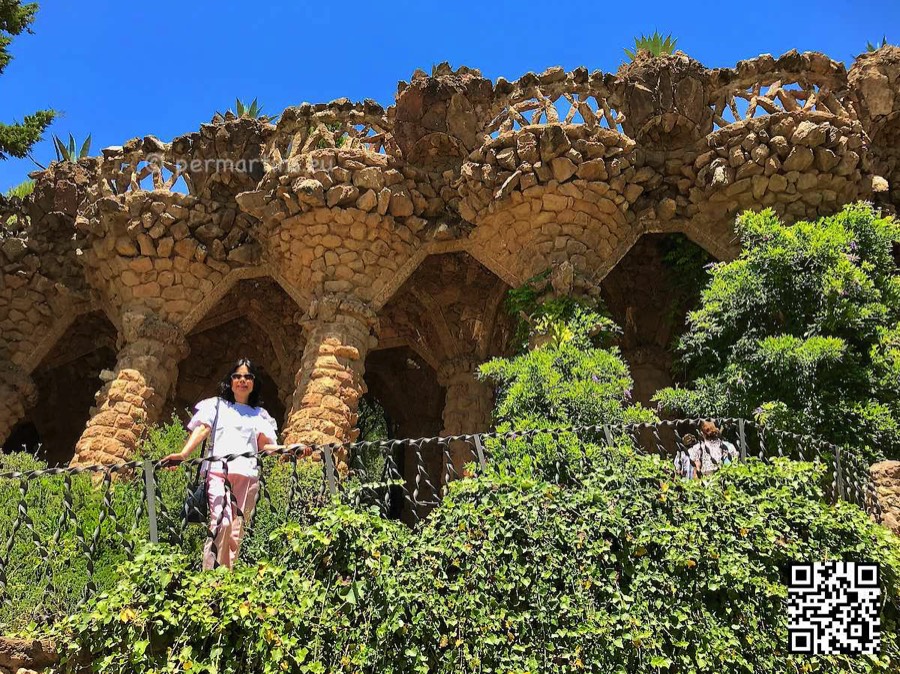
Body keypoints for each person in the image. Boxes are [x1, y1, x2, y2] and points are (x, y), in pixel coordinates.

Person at [163, 358, 278, 570]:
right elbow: (203, 429)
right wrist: (183, 453)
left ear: (254, 382)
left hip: (248, 477)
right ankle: (209, 580)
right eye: (238, 376)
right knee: (221, 523)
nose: (242, 381)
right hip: (218, 472)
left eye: (248, 377)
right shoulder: (216, 405)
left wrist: (290, 449)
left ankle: (224, 583)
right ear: (231, 380)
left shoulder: (259, 415)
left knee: (236, 533)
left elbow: (264, 446)